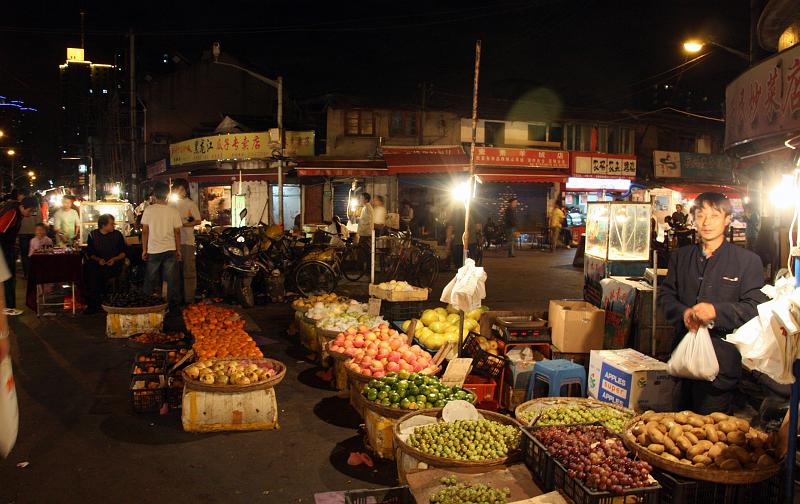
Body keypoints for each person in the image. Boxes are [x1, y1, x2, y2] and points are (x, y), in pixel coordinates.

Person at [659, 192, 767, 414]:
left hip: (720, 367)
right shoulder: (680, 257)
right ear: (694, 219)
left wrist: (716, 312)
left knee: (710, 433)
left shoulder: (747, 261)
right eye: (700, 215)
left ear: (727, 219)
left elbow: (755, 305)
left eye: (714, 215)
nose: (706, 222)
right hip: (682, 361)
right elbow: (665, 296)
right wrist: (683, 313)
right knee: (676, 425)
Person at [141, 181, 182, 310]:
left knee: (150, 278)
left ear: (154, 195)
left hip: (153, 249)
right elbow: (177, 232)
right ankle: (170, 306)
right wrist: (178, 249)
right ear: (167, 195)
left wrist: (144, 249)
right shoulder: (173, 211)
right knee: (170, 279)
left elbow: (145, 231)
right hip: (170, 249)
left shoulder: (149, 210)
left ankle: (147, 304)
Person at [0, 197, 37, 315]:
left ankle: (9, 306)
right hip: (3, 248)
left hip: (7, 247)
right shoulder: (12, 213)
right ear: (23, 206)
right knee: (9, 278)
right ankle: (9, 307)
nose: (30, 214)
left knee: (9, 277)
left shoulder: (17, 212)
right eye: (30, 210)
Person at [84, 214, 127, 315]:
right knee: (91, 272)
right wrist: (99, 260)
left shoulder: (117, 235)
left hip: (114, 264)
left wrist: (114, 259)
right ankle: (94, 304)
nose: (114, 226)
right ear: (103, 225)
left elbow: (124, 252)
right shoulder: (93, 235)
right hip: (98, 265)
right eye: (111, 224)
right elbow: (90, 253)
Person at [170, 179, 201, 305]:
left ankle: (189, 299)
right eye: (177, 189)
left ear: (186, 190)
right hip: (172, 242)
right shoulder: (170, 204)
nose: (179, 191)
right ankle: (177, 298)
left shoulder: (190, 204)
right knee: (175, 272)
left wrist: (185, 224)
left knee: (188, 271)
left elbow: (198, 220)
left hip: (187, 241)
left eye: (182, 189)